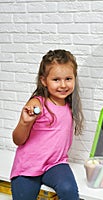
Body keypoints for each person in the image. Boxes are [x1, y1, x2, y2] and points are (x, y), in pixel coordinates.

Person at [10, 49, 84, 200]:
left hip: (55, 164)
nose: (63, 85)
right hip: (28, 166)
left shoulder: (69, 105)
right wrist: (25, 122)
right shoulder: (37, 103)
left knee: (69, 190)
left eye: (68, 79)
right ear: (44, 80)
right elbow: (18, 140)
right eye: (56, 80)